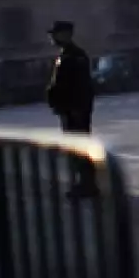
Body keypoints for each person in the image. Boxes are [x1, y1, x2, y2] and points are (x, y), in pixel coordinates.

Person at [46, 20, 98, 198]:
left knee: (80, 147)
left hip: (75, 110)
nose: (52, 37)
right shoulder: (66, 55)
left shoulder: (75, 56)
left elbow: (81, 86)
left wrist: (78, 108)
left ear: (66, 34)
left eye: (55, 34)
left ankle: (88, 184)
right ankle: (83, 182)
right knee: (75, 149)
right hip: (69, 109)